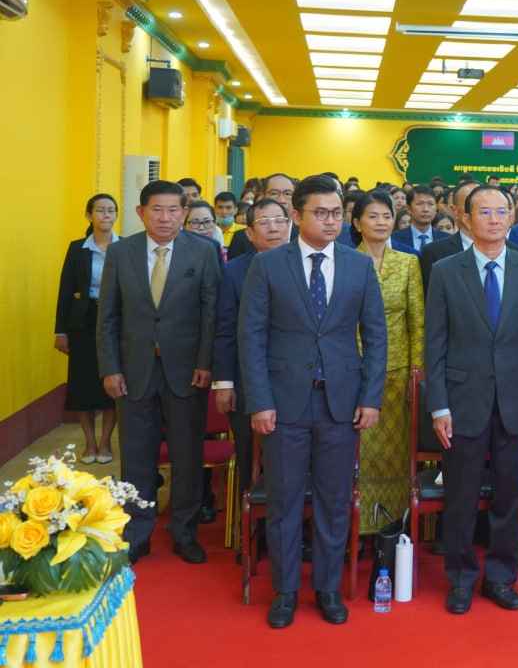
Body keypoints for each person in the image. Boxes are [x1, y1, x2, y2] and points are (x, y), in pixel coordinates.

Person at [238, 175, 388, 629]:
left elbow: (376, 337)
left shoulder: (358, 265)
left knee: (334, 499)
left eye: (337, 213)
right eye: (320, 213)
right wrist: (259, 401)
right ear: (296, 216)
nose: (330, 221)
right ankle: (285, 591)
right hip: (283, 403)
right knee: (284, 500)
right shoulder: (268, 265)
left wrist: (371, 397)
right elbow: (251, 337)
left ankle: (326, 587)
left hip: (341, 403)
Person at [425, 185, 518, 614]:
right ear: (465, 219)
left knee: (508, 497)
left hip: (517, 401)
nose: (494, 219)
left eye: (502, 211)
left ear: (512, 218)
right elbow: (435, 345)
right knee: (460, 497)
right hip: (462, 401)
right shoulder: (445, 271)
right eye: (484, 212)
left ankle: (500, 577)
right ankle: (461, 579)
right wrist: (439, 406)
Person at [97, 179, 220, 566]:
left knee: (187, 456)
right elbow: (108, 317)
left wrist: (205, 363)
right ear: (141, 213)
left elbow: (211, 314)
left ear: (184, 213)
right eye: (157, 210)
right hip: (133, 370)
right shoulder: (121, 252)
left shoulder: (204, 251)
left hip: (187, 371)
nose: (165, 218)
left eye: (173, 210)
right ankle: (137, 532)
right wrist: (110, 368)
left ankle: (184, 532)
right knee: (136, 456)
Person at [212, 197, 291, 512]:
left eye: (280, 221)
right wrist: (224, 383)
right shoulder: (233, 272)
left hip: (295, 383)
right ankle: (249, 527)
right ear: (249, 232)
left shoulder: (305, 263)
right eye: (264, 222)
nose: (273, 228)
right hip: (247, 382)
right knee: (250, 458)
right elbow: (225, 330)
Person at [353, 189, 425, 533]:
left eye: (387, 216)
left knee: (395, 454)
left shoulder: (408, 263)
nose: (381, 222)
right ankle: (356, 526)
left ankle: (393, 527)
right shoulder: (346, 261)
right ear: (357, 223)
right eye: (373, 216)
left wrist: (416, 375)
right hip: (354, 373)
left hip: (397, 376)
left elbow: (417, 322)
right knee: (358, 454)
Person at [54, 193, 119, 464]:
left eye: (111, 210)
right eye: (100, 210)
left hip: (116, 320)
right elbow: (65, 290)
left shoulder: (126, 247)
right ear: (88, 215)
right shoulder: (77, 248)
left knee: (113, 380)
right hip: (83, 320)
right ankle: (89, 443)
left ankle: (105, 443)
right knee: (82, 383)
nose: (106, 215)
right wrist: (60, 330)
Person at [229, 173, 297, 259]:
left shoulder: (306, 234)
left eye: (287, 194)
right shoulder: (242, 237)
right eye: (274, 193)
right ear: (262, 196)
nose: (281, 200)